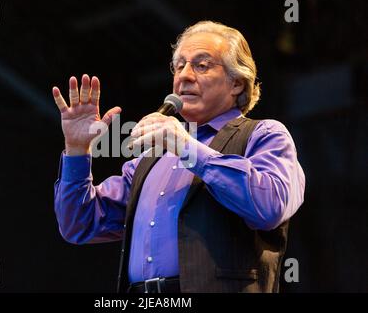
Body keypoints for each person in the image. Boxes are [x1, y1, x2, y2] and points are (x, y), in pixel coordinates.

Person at [52, 21, 305, 293]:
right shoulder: (152, 157)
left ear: (237, 83)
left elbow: (270, 205)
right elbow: (78, 223)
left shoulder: (264, 135)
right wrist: (77, 150)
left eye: (201, 65)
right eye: (179, 65)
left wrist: (187, 148)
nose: (184, 75)